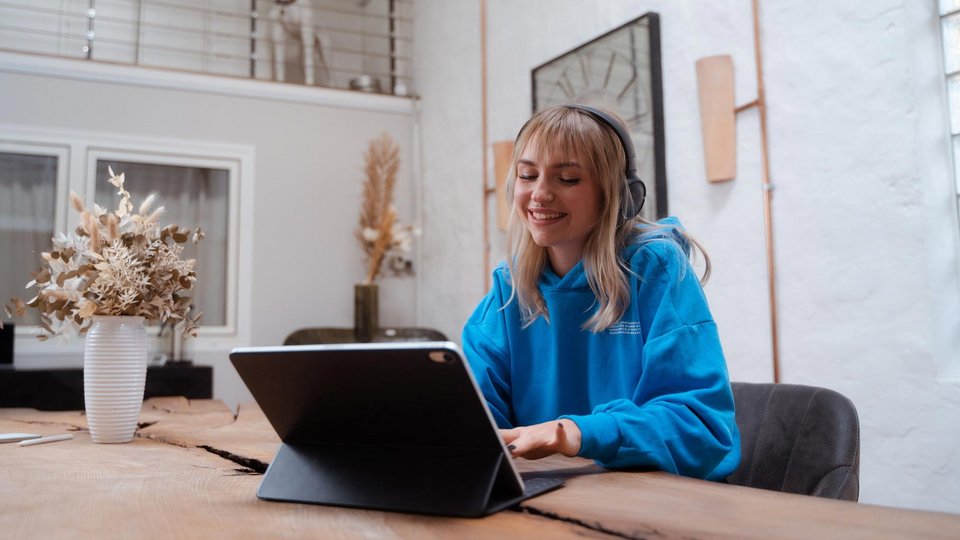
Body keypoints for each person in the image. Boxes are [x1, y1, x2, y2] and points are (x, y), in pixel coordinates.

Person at [462, 104, 740, 480]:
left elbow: (702, 428)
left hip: (664, 498)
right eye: (528, 175)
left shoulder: (655, 269)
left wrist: (576, 432)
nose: (539, 194)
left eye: (568, 179)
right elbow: (474, 419)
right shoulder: (509, 289)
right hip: (559, 498)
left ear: (616, 193)